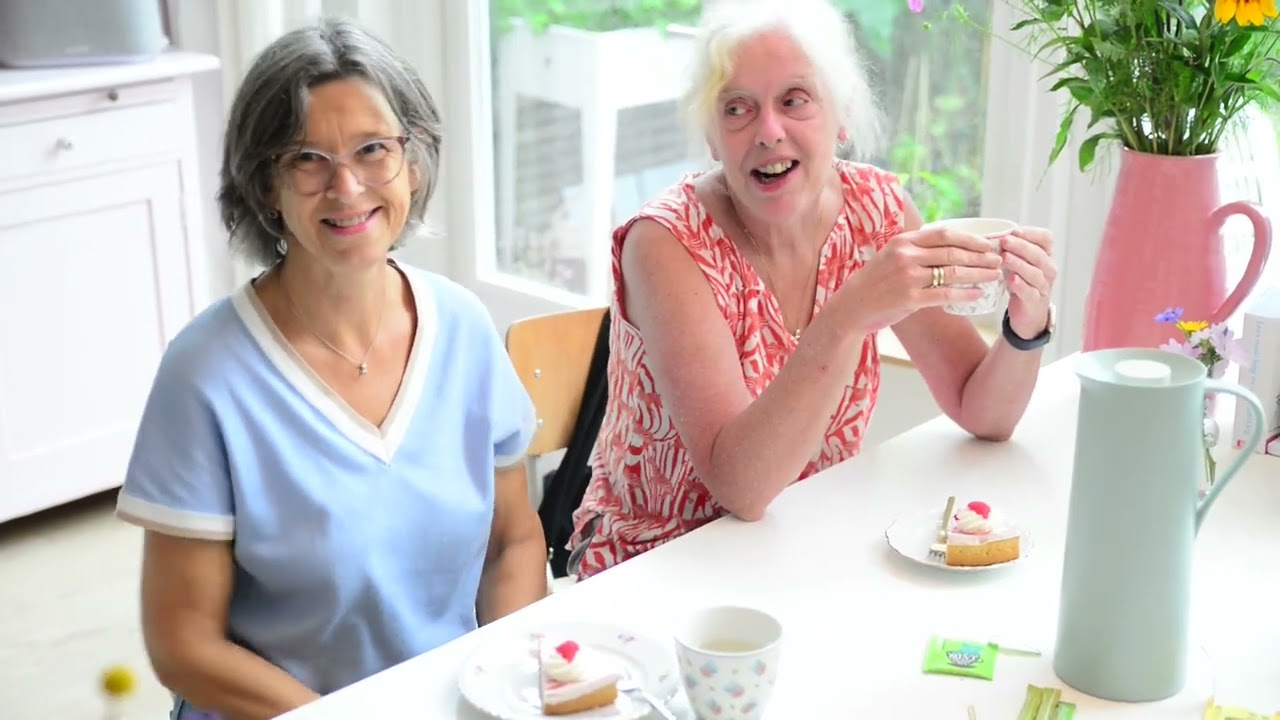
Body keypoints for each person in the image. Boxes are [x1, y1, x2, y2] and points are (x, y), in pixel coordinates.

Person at [114, 18, 547, 720]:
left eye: (373, 149)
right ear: (265, 185)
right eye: (307, 159)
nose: (346, 187)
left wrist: (499, 686)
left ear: (414, 162)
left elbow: (513, 541)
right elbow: (182, 644)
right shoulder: (204, 376)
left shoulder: (462, 326)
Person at [567, 0, 1059, 580]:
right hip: (655, 567)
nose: (768, 132)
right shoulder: (666, 243)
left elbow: (984, 412)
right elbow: (741, 489)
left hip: (804, 542)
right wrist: (848, 316)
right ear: (712, 136)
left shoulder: (874, 211)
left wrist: (1026, 326)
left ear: (840, 114)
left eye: (794, 100)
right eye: (737, 109)